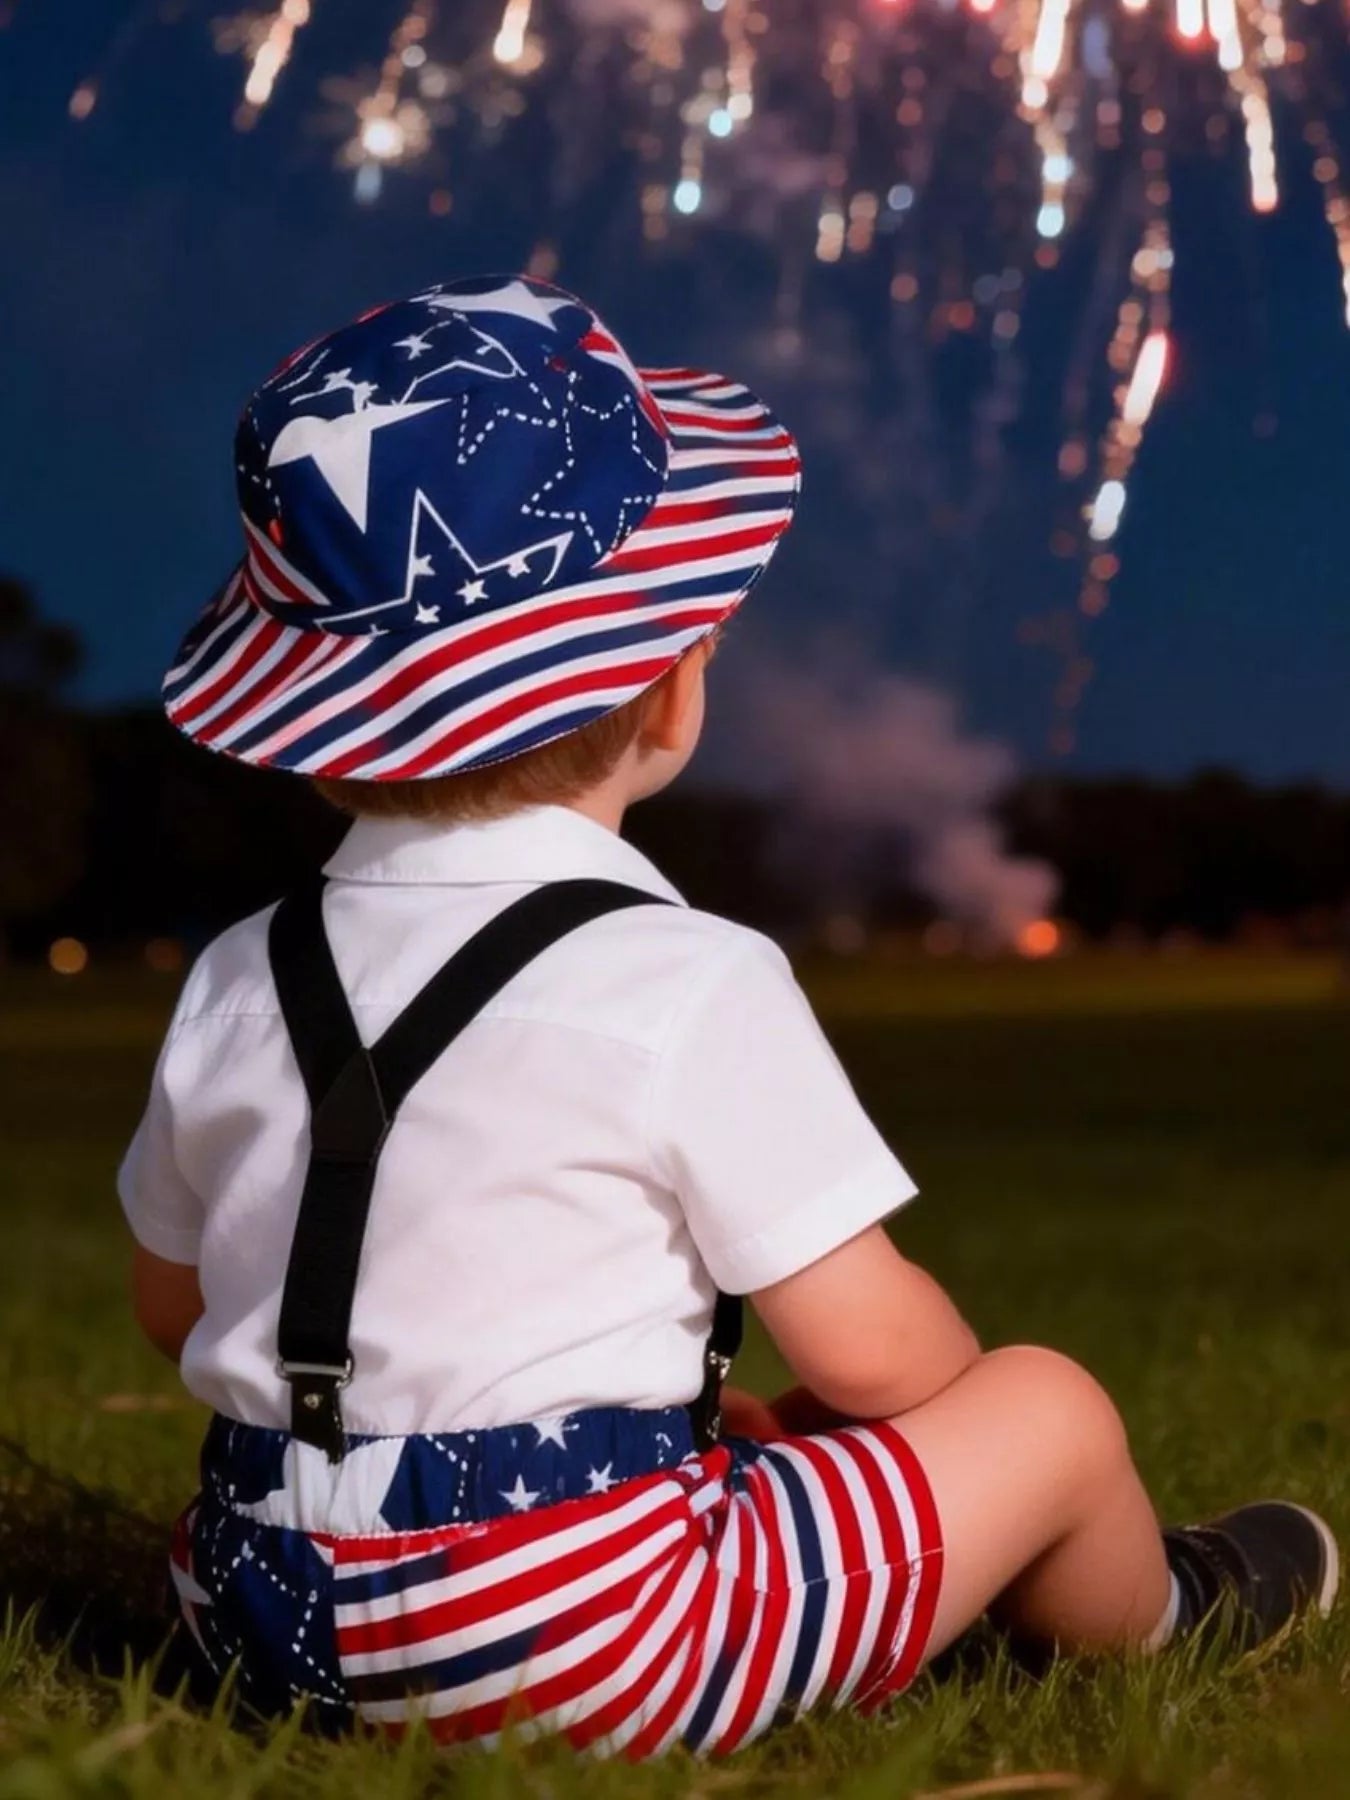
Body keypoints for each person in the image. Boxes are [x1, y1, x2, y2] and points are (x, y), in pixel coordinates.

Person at [122, 276, 1338, 1757]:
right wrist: (946, 1429)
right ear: (671, 695)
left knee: (769, 1430)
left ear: (319, 740)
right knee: (1047, 1405)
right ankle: (1156, 1608)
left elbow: (177, 1309)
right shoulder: (686, 974)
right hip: (580, 1636)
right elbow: (878, 1351)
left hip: (254, 1609)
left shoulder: (235, 973)